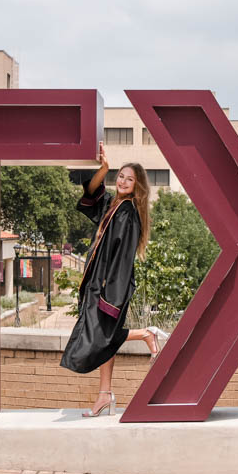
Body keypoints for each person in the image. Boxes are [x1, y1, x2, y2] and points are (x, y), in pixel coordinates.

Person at [61, 142, 167, 417]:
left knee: (98, 340)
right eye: (120, 176)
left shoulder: (128, 215)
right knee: (102, 339)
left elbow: (123, 260)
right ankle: (104, 395)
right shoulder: (112, 204)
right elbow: (90, 192)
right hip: (97, 284)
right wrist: (104, 167)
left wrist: (111, 297)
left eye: (129, 179)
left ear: (138, 186)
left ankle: (146, 334)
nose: (122, 181)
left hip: (109, 288)